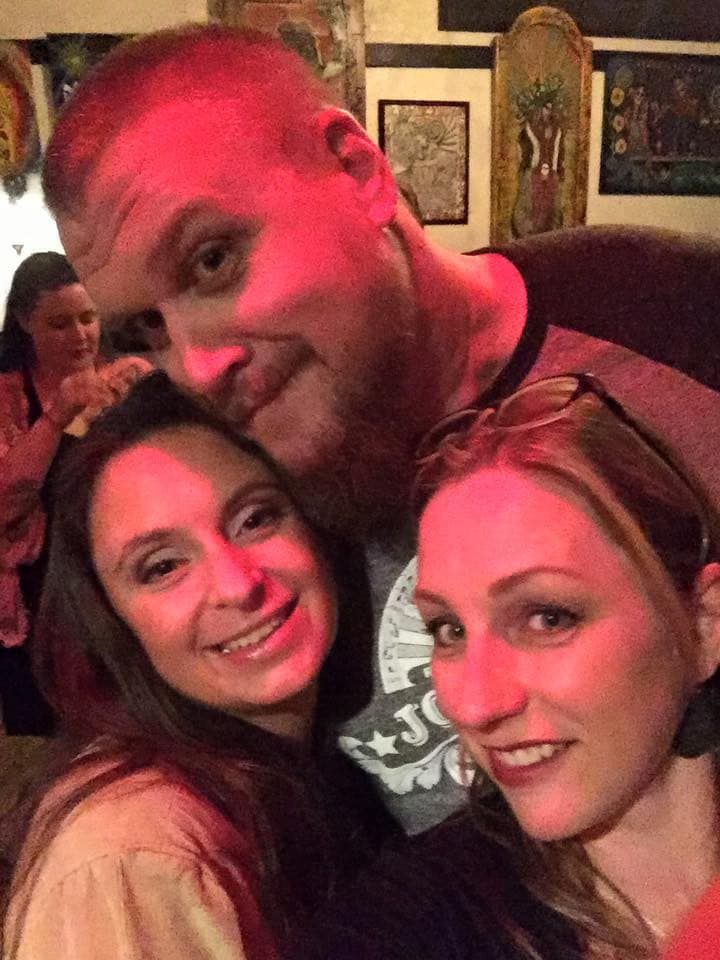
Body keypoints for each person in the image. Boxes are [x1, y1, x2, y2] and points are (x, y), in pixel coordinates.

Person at [41, 25, 720, 832]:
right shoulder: (236, 470)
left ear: (359, 171)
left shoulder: (674, 318)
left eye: (213, 259)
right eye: (148, 328)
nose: (196, 366)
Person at [313, 373, 720, 959]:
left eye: (548, 618)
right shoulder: (410, 924)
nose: (475, 705)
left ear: (704, 624)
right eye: (448, 630)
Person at [1, 371, 390, 960]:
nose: (237, 585)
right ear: (112, 621)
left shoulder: (301, 771)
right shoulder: (134, 858)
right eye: (162, 567)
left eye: (256, 518)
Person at [0, 252, 148, 735]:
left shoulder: (126, 373)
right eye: (60, 324)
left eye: (89, 317)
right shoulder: (8, 394)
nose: (81, 335)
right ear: (24, 322)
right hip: (44, 585)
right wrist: (56, 416)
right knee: (67, 724)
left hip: (120, 568)